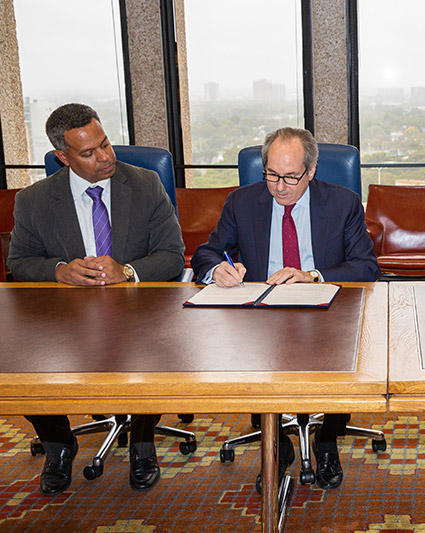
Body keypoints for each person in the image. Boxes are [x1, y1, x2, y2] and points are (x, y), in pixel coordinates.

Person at [8, 103, 185, 494]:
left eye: (105, 144)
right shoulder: (34, 200)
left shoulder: (144, 184)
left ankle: (142, 443)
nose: (105, 157)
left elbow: (173, 255)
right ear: (63, 157)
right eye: (88, 153)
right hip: (65, 316)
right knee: (23, 365)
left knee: (153, 352)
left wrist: (126, 271)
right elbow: (19, 262)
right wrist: (60, 270)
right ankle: (58, 445)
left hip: (136, 310)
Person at [191, 127, 379, 492]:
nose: (279, 186)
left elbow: (366, 266)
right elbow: (207, 252)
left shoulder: (343, 203)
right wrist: (219, 269)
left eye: (291, 177)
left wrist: (313, 276)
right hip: (261, 315)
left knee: (345, 355)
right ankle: (276, 447)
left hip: (325, 312)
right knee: (251, 360)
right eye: (272, 175)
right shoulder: (241, 202)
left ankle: (326, 440)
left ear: (311, 171)